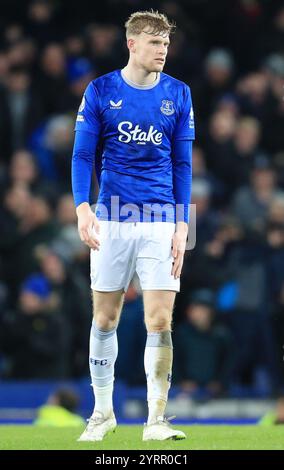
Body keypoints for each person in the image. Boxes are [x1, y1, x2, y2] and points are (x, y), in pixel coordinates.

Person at [71, 10, 195, 442]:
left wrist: (184, 225)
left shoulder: (179, 94)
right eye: (154, 42)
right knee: (105, 318)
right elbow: (83, 155)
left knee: (160, 319)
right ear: (132, 44)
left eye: (165, 43)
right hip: (113, 217)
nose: (162, 50)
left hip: (162, 219)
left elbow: (182, 164)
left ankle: (156, 420)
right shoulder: (101, 90)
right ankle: (102, 413)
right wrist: (83, 208)